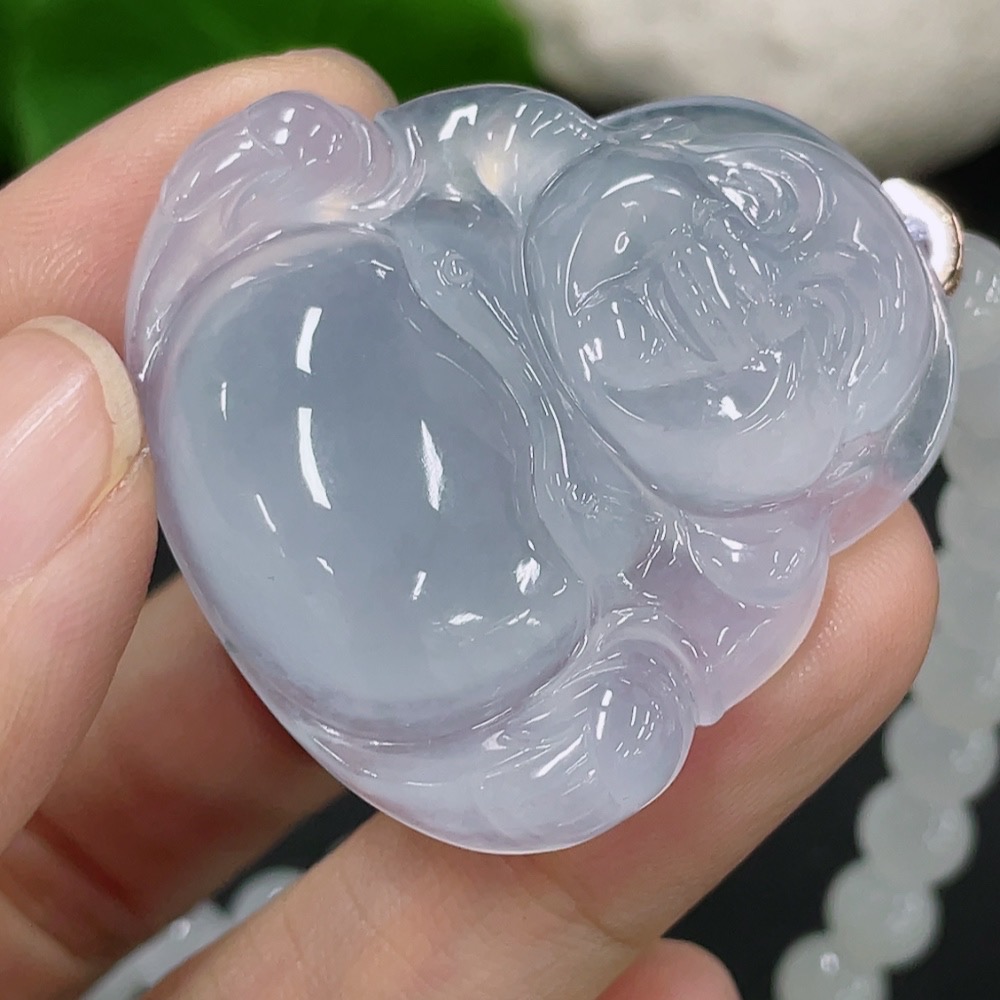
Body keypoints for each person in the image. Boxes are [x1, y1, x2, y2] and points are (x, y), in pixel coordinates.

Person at [0, 50, 938, 999]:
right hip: (279, 343)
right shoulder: (499, 173)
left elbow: (662, 683)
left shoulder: (735, 558)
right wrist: (310, 166)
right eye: (758, 207)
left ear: (802, 483)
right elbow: (395, 161)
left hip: (479, 608)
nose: (745, 285)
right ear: (645, 153)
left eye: (829, 336)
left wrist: (614, 721)